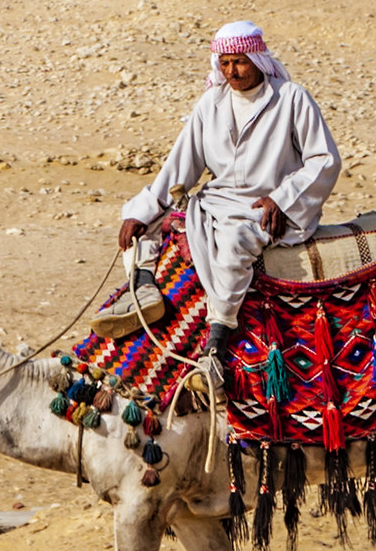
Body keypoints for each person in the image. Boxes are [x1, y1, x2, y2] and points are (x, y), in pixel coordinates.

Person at [117, 20, 342, 360]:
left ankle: (218, 341)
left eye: (239, 61)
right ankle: (144, 286)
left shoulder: (291, 99)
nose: (232, 71)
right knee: (145, 218)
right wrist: (142, 209)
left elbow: (324, 160)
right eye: (224, 63)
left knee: (235, 244)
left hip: (266, 207)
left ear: (258, 59)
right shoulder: (212, 103)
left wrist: (281, 200)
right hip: (216, 200)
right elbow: (181, 164)